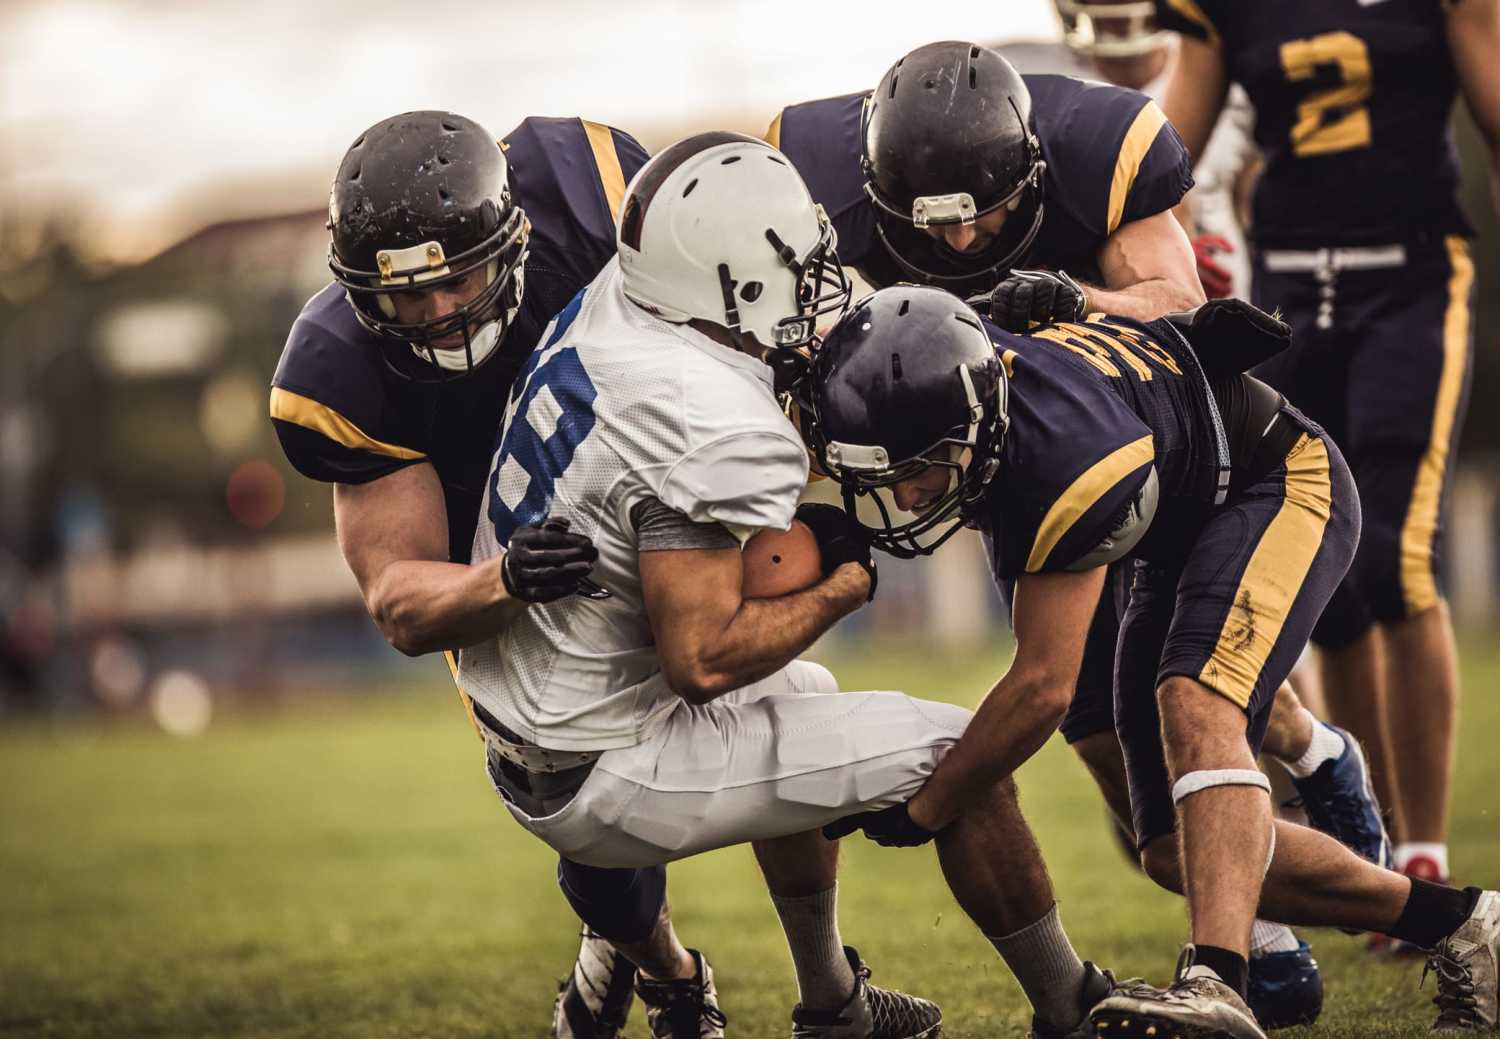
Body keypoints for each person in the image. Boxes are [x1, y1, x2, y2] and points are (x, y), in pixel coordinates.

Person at [459, 131, 1126, 1039]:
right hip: (606, 764)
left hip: (526, 725)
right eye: (797, 260)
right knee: (958, 755)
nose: (818, 274)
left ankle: (834, 1006)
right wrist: (843, 588)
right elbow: (699, 659)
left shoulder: (621, 300)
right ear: (728, 280)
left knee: (800, 695)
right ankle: (1071, 1006)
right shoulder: (709, 419)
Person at [777, 40, 1382, 1028]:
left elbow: (1184, 306)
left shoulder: (1100, 147)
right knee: (1107, 742)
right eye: (937, 225)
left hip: (1157, 442)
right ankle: (1272, 920)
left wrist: (1080, 304)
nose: (967, 244)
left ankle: (1311, 769)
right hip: (1022, 470)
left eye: (988, 215)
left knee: (1204, 691)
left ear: (1033, 173)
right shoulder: (813, 188)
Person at [804, 285, 1500, 1038]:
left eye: (917, 468)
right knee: (1174, 847)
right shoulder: (970, 371)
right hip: (1180, 531)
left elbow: (1041, 685)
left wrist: (928, 806)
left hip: (1278, 481)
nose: (904, 498)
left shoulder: (1061, 459)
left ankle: (1219, 981)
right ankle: (1465, 924)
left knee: (1195, 700)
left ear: (972, 424)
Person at [269, 110, 654, 1039]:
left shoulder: (591, 193)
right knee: (560, 774)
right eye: (410, 297)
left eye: (462, 279)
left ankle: (824, 985)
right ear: (360, 293)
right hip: (490, 546)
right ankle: (659, 961)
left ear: (513, 238)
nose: (442, 312)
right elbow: (400, 600)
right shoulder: (339, 372)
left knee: (745, 682)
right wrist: (504, 581)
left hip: (646, 471)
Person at [1154, 0, 1500, 920]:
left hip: (1415, 277)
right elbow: (1159, 154)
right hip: (1287, 290)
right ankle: (1373, 842)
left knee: (1396, 556)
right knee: (1332, 576)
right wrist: (1170, 247)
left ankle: (1422, 848)